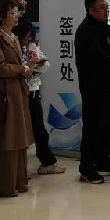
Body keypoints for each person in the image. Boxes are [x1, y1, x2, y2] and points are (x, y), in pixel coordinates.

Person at [0, 0, 34, 197]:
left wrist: (28, 67)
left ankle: (19, 182)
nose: (17, 16)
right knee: (6, 139)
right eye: (12, 13)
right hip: (5, 93)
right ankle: (5, 185)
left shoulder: (12, 36)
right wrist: (21, 69)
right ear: (2, 17)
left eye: (16, 12)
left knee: (18, 138)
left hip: (17, 91)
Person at [74, 0, 110, 185]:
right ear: (91, 10)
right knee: (93, 128)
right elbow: (100, 58)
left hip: (109, 84)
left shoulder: (105, 28)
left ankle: (103, 161)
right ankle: (87, 169)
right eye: (102, 7)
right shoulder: (86, 31)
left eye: (107, 7)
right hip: (94, 87)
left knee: (108, 126)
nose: (107, 11)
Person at [14, 18, 64, 174]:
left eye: (30, 36)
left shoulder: (32, 46)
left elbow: (46, 64)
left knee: (39, 129)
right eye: (25, 36)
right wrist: (27, 67)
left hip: (34, 90)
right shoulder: (13, 46)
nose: (28, 39)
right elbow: (17, 68)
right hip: (20, 91)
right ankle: (19, 169)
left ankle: (47, 162)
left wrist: (36, 66)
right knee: (20, 131)